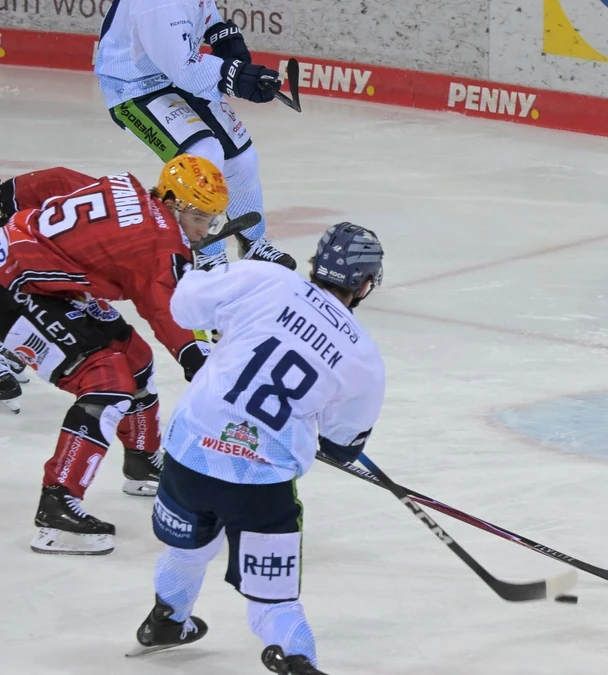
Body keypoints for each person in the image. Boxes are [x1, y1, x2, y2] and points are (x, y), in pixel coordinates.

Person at [132, 223, 386, 674]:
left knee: (187, 549)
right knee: (274, 603)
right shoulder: (363, 356)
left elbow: (186, 305)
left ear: (314, 263)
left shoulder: (268, 278)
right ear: (365, 284)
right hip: (259, 483)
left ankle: (166, 619)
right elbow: (342, 444)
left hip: (190, 453)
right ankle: (296, 659)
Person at [0, 156, 223, 555]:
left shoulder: (127, 187)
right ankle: (57, 505)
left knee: (133, 356)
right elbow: (165, 308)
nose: (205, 229)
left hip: (40, 277)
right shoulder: (162, 242)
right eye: (199, 216)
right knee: (106, 383)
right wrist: (198, 360)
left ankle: (141, 460)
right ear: (171, 202)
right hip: (12, 285)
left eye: (211, 219)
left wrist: (8, 196)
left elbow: (59, 180)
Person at [94, 0, 296, 270]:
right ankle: (208, 254)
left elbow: (205, 15)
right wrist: (237, 77)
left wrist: (225, 40)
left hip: (173, 75)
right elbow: (185, 69)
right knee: (203, 156)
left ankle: (253, 243)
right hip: (133, 88)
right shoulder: (157, 5)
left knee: (242, 158)